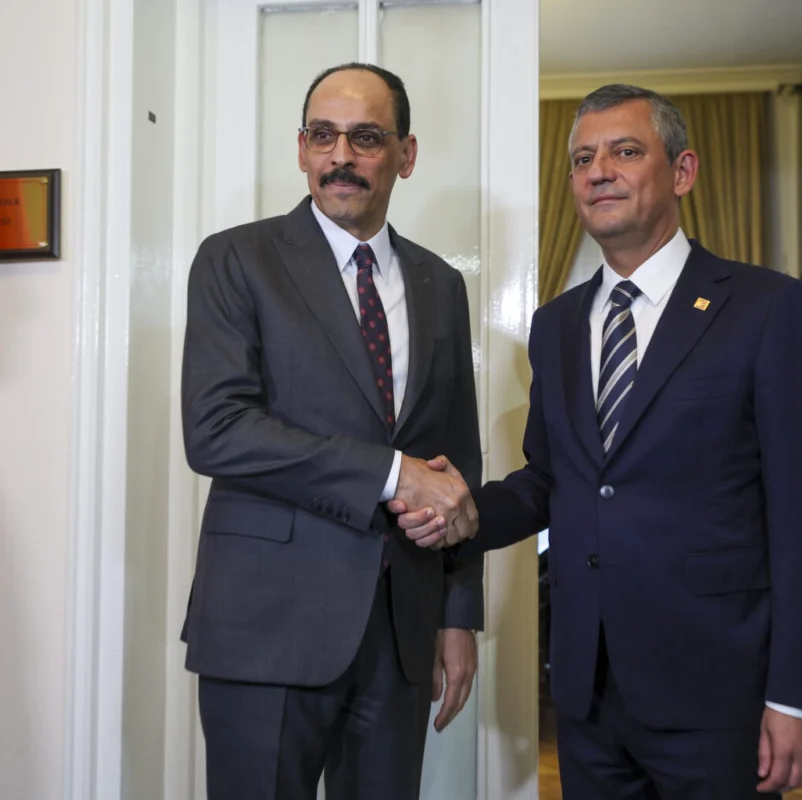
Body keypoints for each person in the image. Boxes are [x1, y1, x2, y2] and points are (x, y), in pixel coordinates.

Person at [394, 84, 802, 798]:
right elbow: (551, 479)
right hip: (587, 692)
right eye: (582, 158)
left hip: (717, 690)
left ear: (683, 171)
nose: (598, 171)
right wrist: (465, 512)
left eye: (625, 152)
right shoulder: (557, 325)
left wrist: (795, 695)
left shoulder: (765, 307)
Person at [179, 62, 482, 800]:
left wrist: (457, 615)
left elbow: (455, 467)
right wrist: (391, 473)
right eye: (323, 135)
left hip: (400, 633)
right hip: (267, 625)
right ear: (301, 148)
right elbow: (216, 429)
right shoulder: (235, 259)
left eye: (365, 138)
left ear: (406, 154)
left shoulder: (441, 284)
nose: (340, 156)